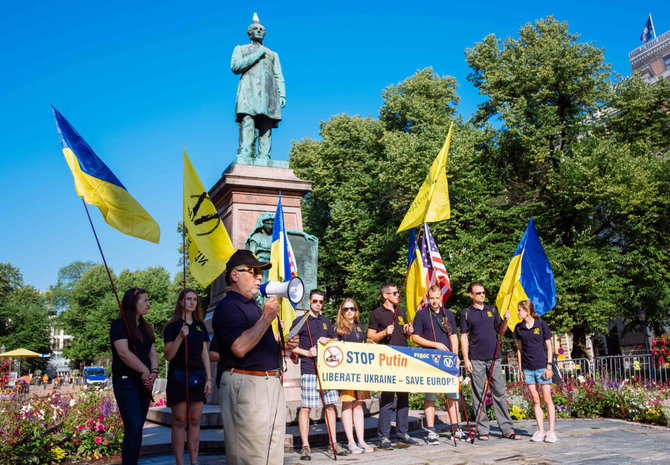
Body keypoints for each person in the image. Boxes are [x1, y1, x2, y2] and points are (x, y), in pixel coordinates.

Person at [212, 250, 299, 465]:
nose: (260, 276)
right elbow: (240, 347)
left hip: (269, 384)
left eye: (260, 272)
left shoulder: (253, 306)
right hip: (247, 386)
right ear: (234, 275)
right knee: (250, 457)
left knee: (272, 455)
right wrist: (267, 317)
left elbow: (257, 345)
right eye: (254, 271)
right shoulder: (227, 307)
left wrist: (282, 345)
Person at [290, 290, 349, 460]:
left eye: (321, 301)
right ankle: (305, 446)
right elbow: (289, 344)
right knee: (306, 408)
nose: (318, 304)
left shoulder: (326, 321)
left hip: (326, 370)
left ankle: (334, 442)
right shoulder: (300, 321)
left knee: (330, 405)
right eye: (315, 301)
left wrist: (327, 340)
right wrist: (306, 353)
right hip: (309, 368)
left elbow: (336, 340)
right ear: (309, 301)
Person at [460, 282, 520, 441]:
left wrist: (506, 320)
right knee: (478, 395)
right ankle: (482, 430)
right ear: (471, 295)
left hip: (494, 357)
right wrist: (466, 359)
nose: (482, 295)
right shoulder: (466, 313)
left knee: (499, 392)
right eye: (478, 293)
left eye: (483, 292)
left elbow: (501, 330)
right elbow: (464, 336)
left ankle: (507, 429)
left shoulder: (492, 310)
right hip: (476, 358)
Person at [411, 285, 467, 444]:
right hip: (430, 359)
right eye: (432, 298)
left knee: (453, 395)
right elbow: (415, 338)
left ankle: (456, 428)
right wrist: (434, 344)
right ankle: (431, 430)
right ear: (427, 298)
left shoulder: (448, 314)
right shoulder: (421, 315)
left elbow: (454, 336)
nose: (435, 301)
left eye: (437, 298)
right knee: (431, 395)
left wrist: (456, 355)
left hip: (448, 360)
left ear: (441, 298)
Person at [367, 282, 419, 449]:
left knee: (404, 398)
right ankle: (384, 436)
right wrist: (384, 332)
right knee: (387, 399)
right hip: (387, 360)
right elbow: (370, 336)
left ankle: (402, 434)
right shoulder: (377, 313)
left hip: (403, 359)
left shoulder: (400, 311)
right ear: (385, 295)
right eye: (395, 293)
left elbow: (403, 332)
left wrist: (407, 331)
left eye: (398, 293)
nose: (398, 295)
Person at [163, 289, 212, 465]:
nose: (192, 302)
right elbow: (168, 355)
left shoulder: (200, 326)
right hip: (178, 377)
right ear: (181, 302)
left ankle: (194, 461)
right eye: (188, 299)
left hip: (198, 376)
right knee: (179, 421)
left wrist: (209, 379)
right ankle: (179, 462)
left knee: (194, 420)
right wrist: (180, 336)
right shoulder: (172, 326)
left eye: (195, 300)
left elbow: (205, 354)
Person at [110, 287, 159, 465]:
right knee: (134, 425)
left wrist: (153, 372)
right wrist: (144, 371)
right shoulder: (119, 325)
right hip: (126, 381)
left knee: (138, 429)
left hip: (144, 383)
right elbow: (123, 352)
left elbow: (153, 353)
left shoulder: (145, 327)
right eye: (145, 300)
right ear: (133, 303)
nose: (149, 304)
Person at [231, 13, 286, 159]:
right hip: (248, 91)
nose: (260, 31)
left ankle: (264, 156)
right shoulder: (240, 49)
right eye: (256, 28)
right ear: (249, 32)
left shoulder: (273, 54)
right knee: (248, 121)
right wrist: (257, 54)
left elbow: (278, 75)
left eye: (262, 29)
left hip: (269, 93)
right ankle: (245, 152)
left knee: (266, 125)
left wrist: (282, 94)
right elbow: (235, 67)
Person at [335, 298, 375, 454]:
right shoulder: (338, 329)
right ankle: (350, 442)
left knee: (359, 405)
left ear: (356, 310)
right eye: (346, 309)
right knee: (347, 405)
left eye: (352, 308)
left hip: (361, 372)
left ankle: (361, 440)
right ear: (342, 311)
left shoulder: (360, 328)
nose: (349, 311)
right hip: (346, 372)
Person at [514, 300, 557, 443]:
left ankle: (551, 431)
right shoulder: (518, 328)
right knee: (535, 399)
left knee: (546, 398)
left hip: (542, 366)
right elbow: (519, 350)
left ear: (527, 311)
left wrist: (549, 366)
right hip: (528, 368)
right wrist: (521, 369)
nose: (517, 313)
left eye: (519, 310)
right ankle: (541, 430)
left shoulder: (541, 324)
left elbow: (549, 347)